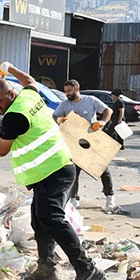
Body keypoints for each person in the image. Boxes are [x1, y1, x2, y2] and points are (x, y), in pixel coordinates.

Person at [0, 61, 104, 280]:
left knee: (51, 217)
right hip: (49, 171)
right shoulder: (28, 95)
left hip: (55, 171)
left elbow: (2, 150)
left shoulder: (15, 117)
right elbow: (30, 81)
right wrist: (10, 69)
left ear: (11, 93)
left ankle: (87, 269)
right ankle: (46, 269)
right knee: (39, 219)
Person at [53, 79, 116, 211]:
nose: (67, 94)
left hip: (92, 141)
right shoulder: (65, 105)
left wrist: (103, 122)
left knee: (103, 170)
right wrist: (58, 119)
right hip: (74, 144)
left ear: (77, 89)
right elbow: (54, 116)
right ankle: (74, 199)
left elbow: (108, 110)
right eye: (65, 91)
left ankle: (110, 197)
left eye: (69, 91)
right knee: (74, 172)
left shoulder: (90, 100)